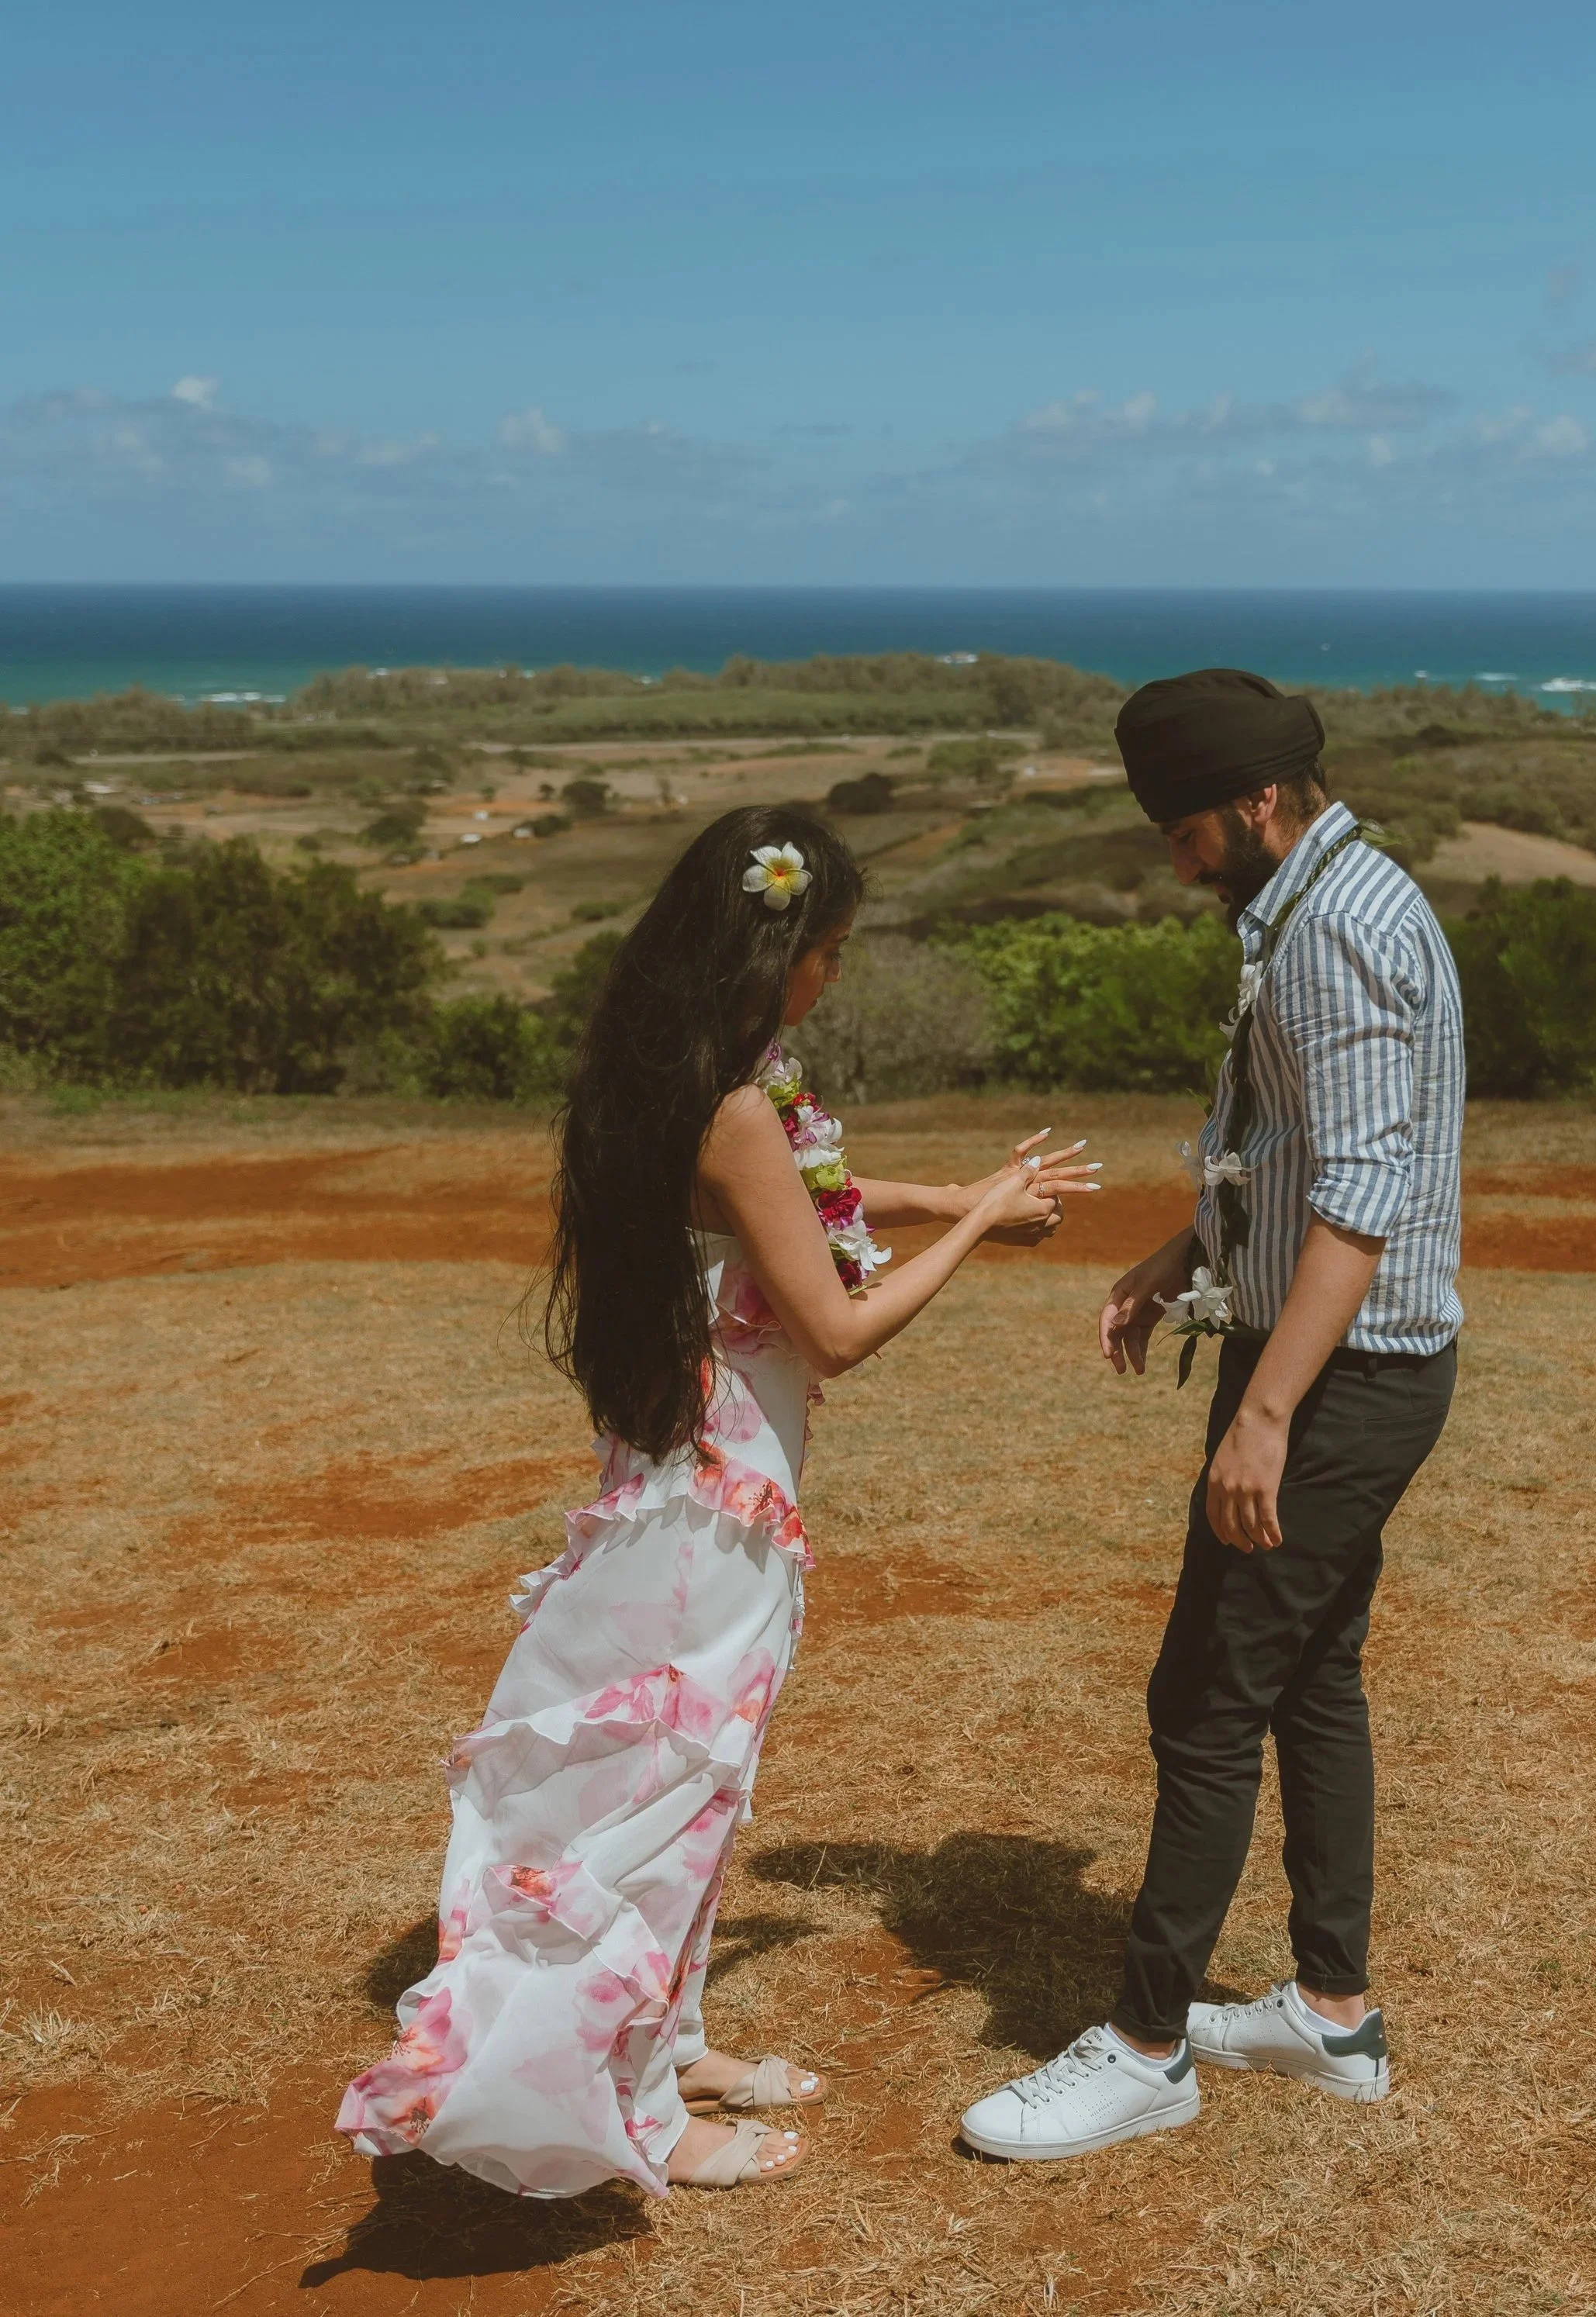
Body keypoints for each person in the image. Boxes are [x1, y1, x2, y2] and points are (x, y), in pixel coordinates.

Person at [339, 803, 1097, 2195]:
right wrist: (987, 1223)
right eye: (829, 951)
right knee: (679, 1787)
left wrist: (944, 1193)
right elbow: (838, 1332)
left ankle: (672, 2041)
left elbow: (792, 1200)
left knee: (693, 1777)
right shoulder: (736, 1107)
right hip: (718, 1511)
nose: (834, 976)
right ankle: (640, 2104)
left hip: (679, 1483)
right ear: (775, 947)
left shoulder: (670, 1071)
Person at [959, 668, 1464, 2162]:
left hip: (1340, 1376)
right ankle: (1331, 2014)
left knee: (1206, 1699)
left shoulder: (1338, 932)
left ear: (1258, 802)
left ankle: (1144, 2050)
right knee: (1310, 1675)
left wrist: (1269, 1411)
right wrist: (1186, 1258)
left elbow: (1362, 1195)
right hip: (1324, 1354)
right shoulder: (1308, 904)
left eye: (1186, 833)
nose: (1178, 863)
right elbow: (1295, 1154)